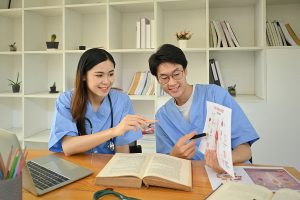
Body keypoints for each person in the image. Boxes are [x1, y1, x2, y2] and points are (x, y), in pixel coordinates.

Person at [148, 44, 259, 173]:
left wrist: (226, 161)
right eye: (164, 78)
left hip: (226, 174)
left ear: (185, 71)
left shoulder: (216, 95)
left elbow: (245, 150)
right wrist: (174, 155)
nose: (172, 83)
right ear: (158, 79)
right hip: (192, 179)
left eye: (176, 74)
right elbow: (165, 164)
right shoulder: (162, 117)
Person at [49, 48, 152, 156]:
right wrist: (114, 131)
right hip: (76, 166)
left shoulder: (121, 101)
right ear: (83, 75)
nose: (107, 81)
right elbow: (68, 146)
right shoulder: (66, 100)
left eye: (111, 74)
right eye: (99, 75)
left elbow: (122, 148)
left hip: (107, 167)